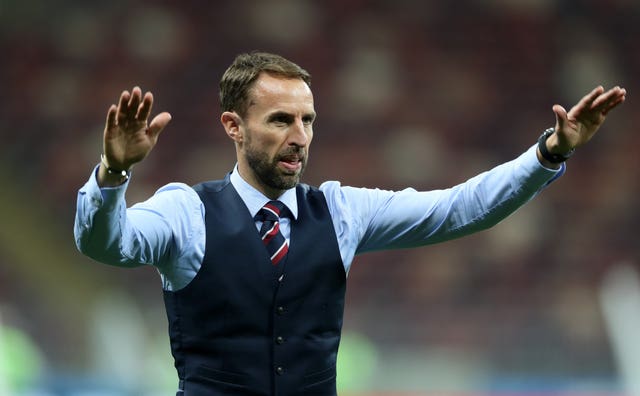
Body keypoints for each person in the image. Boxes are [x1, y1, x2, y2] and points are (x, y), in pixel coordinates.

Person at [74, 51, 626, 395]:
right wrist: (113, 171)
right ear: (233, 126)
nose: (300, 136)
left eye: (308, 120)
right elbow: (106, 243)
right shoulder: (186, 211)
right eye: (281, 120)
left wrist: (549, 152)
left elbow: (460, 208)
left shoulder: (340, 210)